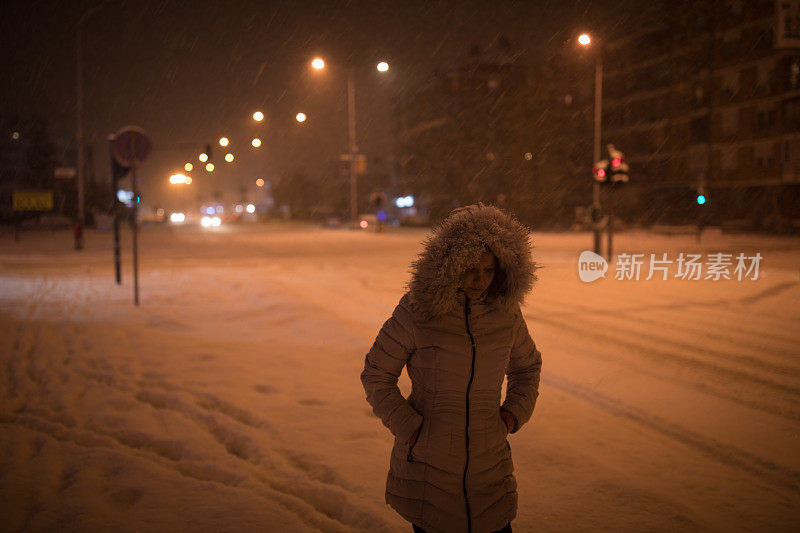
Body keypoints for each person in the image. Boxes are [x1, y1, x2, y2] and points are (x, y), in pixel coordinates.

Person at [361, 204, 542, 533]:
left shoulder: (506, 314)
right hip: (429, 475)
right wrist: (411, 429)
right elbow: (376, 374)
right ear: (449, 264)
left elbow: (527, 369)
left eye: (488, 271)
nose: (479, 280)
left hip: (491, 473)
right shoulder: (418, 311)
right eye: (471, 267)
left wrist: (512, 413)